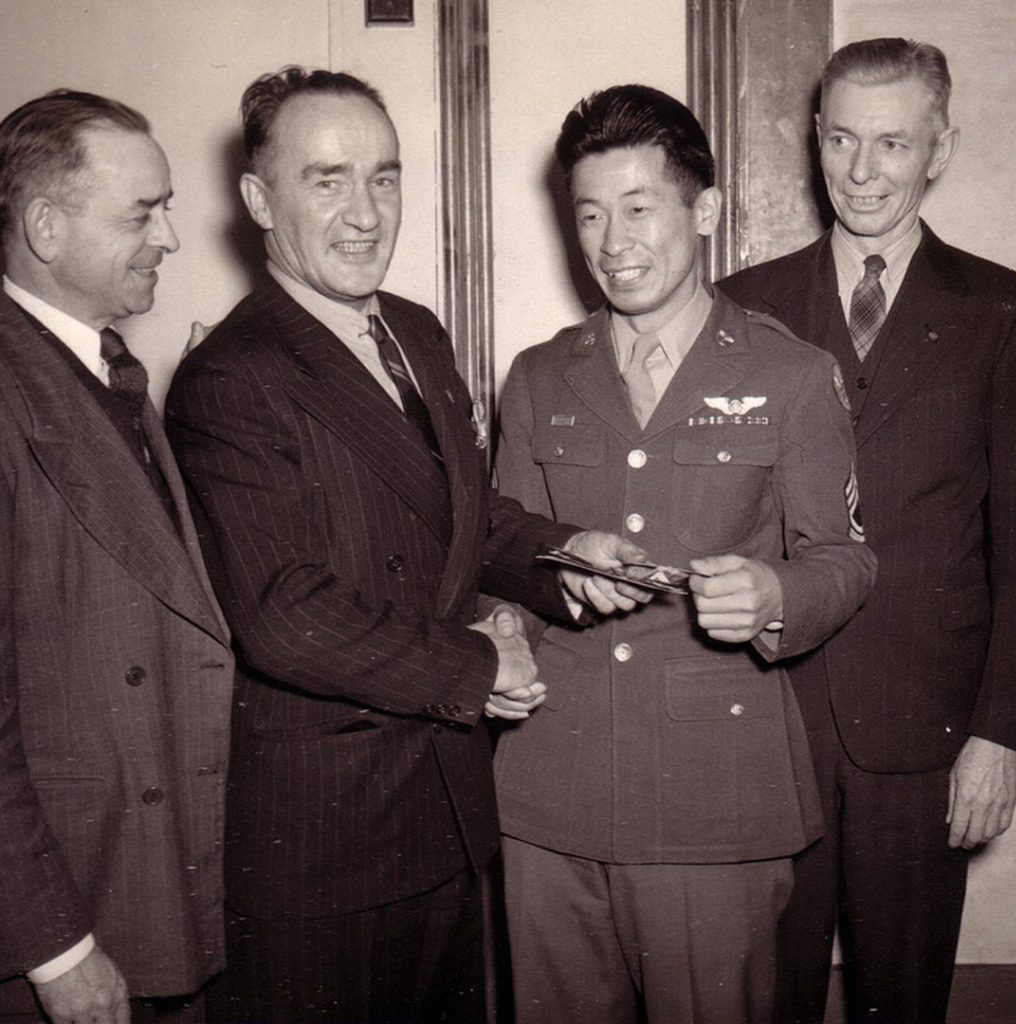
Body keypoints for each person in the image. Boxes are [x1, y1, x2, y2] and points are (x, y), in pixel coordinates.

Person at [164, 67, 647, 1024]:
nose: (364, 213)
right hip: (319, 846)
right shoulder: (231, 377)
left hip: (443, 815)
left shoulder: (416, 333)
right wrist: (477, 664)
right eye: (327, 180)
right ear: (260, 201)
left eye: (383, 178)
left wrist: (567, 554)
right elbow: (284, 616)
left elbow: (461, 519)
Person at [491, 84, 877, 1024]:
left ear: (702, 211)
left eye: (638, 208)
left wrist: (776, 591)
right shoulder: (540, 375)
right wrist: (512, 616)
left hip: (715, 799)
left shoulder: (790, 374)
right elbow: (499, 549)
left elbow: (846, 555)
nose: (613, 242)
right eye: (589, 214)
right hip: (553, 789)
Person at [720, 37, 1016, 1024]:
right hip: (772, 727)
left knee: (904, 1001)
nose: (862, 171)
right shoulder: (746, 305)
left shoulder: (1002, 311)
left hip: (926, 737)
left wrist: (999, 734)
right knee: (768, 998)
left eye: (891, 145)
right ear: (813, 140)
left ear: (937, 149)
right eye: (842, 140)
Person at [0, 91, 234, 1024]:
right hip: (62, 919)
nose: (170, 237)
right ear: (45, 227)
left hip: (137, 887)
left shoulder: (105, 371)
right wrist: (54, 945)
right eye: (143, 212)